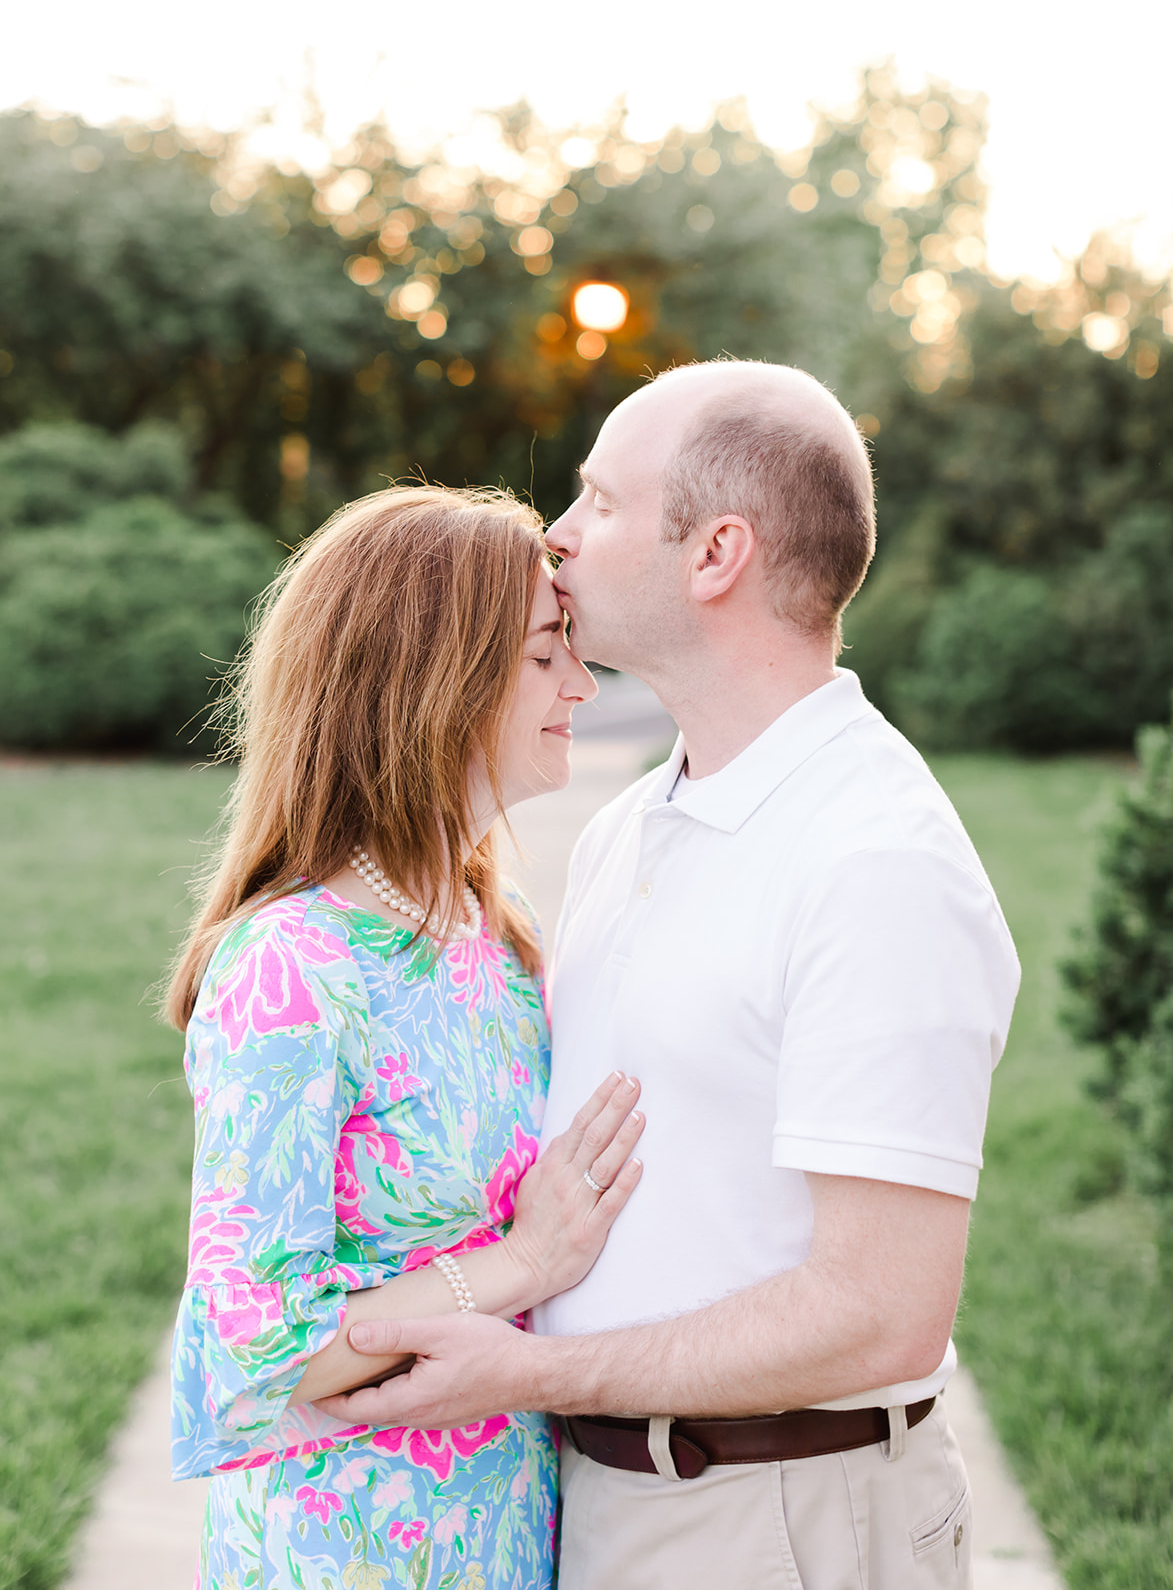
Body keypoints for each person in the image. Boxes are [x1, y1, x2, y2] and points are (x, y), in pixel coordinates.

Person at [322, 362, 1022, 1590]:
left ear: (717, 554)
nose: (559, 533)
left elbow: (881, 1309)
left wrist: (533, 1373)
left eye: (598, 498)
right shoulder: (628, 827)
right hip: (603, 1502)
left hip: (784, 1516)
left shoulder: (875, 859)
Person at [165, 485, 647, 1590]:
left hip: (508, 1529)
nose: (581, 685)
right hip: (349, 1547)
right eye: (542, 656)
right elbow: (260, 1353)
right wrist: (521, 1262)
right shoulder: (293, 968)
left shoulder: (498, 935)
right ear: (433, 679)